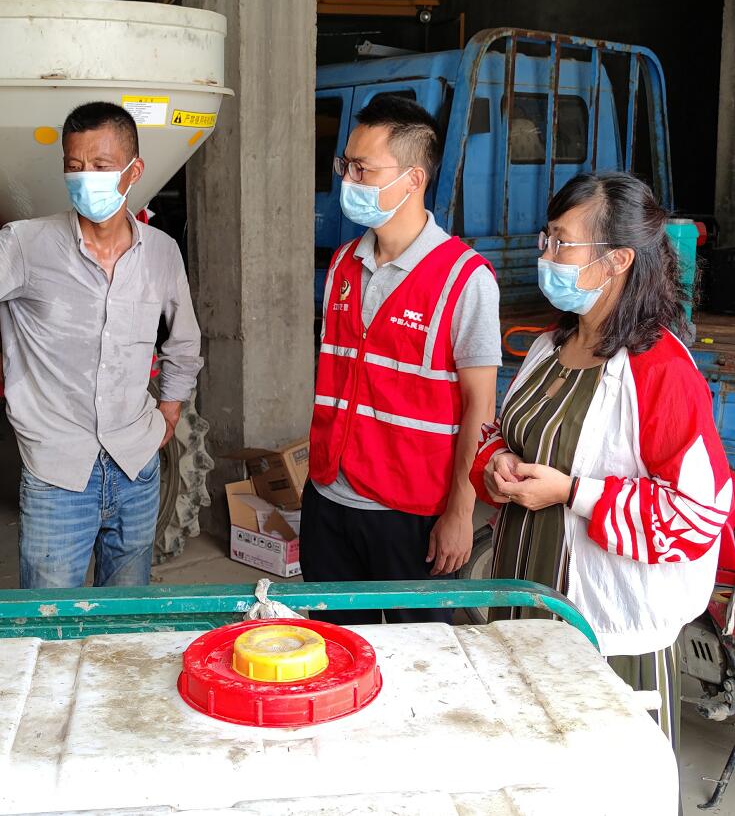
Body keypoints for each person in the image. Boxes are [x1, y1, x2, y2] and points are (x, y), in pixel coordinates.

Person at [472, 170, 731, 743]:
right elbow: (504, 432)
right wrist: (494, 462)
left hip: (606, 639)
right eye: (546, 238)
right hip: (519, 610)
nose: (546, 255)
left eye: (562, 242)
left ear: (617, 260)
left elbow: (697, 516)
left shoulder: (661, 371)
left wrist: (572, 493)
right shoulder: (549, 346)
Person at [0, 101, 202, 589]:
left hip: (136, 466)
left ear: (134, 171)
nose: (85, 178)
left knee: (125, 612)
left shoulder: (161, 252)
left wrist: (171, 409)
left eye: (100, 165)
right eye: (75, 166)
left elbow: (184, 340)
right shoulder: (25, 245)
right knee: (50, 620)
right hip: (57, 473)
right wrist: (2, 368)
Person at [302, 94, 501, 624]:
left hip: (411, 513)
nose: (348, 180)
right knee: (335, 651)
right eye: (346, 165)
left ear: (413, 179)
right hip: (329, 498)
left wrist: (460, 511)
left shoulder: (465, 279)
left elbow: (480, 407)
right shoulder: (343, 264)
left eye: (362, 169)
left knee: (421, 659)